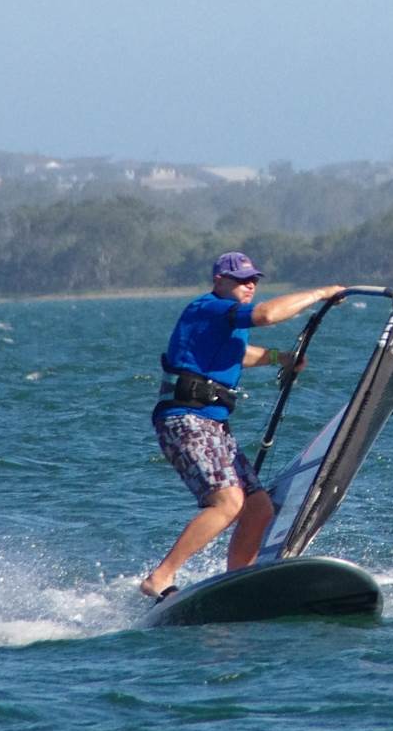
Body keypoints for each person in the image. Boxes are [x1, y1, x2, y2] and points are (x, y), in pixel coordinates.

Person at [140, 251, 345, 598]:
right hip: (185, 420)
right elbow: (266, 315)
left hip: (214, 426)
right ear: (219, 280)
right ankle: (160, 577)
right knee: (228, 503)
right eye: (241, 280)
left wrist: (281, 358)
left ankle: (236, 581)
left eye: (253, 280)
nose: (250, 285)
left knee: (258, 508)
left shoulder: (226, 323)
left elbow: (239, 353)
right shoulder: (208, 307)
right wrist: (320, 293)